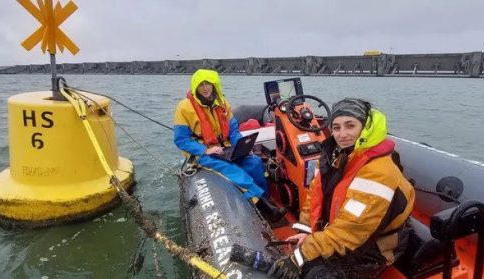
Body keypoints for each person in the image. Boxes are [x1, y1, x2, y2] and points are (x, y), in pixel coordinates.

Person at [268, 98, 415, 279]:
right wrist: (306, 231)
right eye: (336, 128)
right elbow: (314, 197)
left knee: (315, 274)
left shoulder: (378, 171)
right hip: (339, 233)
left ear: (365, 127)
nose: (342, 134)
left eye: (350, 126)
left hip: (374, 247)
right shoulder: (335, 156)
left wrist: (301, 255)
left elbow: (351, 231)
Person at [173, 69, 285, 221]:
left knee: (255, 163)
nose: (205, 88)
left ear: (214, 85)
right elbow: (181, 140)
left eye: (209, 84)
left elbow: (233, 130)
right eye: (201, 84)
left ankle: (266, 198)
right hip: (203, 154)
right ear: (195, 87)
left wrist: (241, 146)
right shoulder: (184, 108)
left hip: (226, 148)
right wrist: (206, 150)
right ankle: (264, 208)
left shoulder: (223, 104)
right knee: (235, 172)